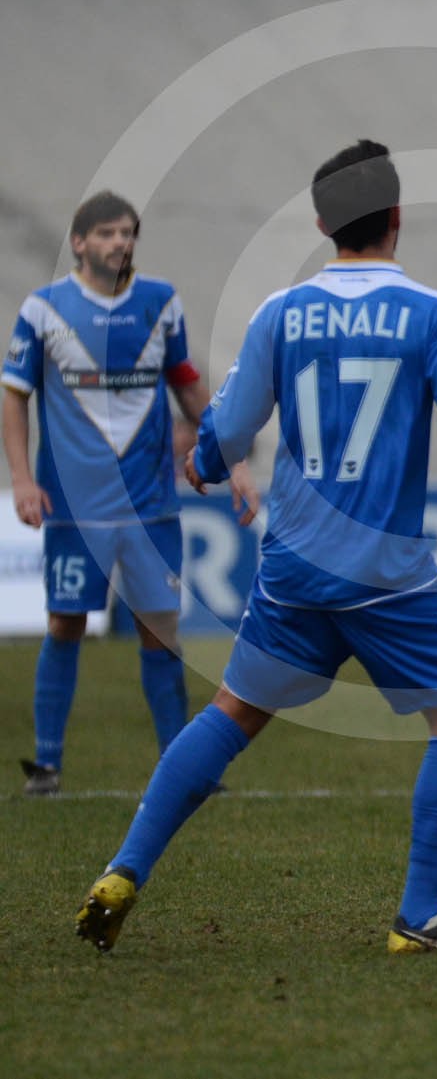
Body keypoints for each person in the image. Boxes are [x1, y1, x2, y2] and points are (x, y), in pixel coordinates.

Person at [75, 140, 437, 957]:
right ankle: (420, 918)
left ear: (321, 222)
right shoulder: (434, 313)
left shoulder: (281, 311)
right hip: (386, 573)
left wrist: (206, 463)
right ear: (396, 218)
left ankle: (124, 866)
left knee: (233, 711)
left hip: (295, 566)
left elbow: (230, 426)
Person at [4, 192, 210, 797]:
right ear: (79, 242)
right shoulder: (45, 310)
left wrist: (228, 450)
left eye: (128, 234)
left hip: (150, 502)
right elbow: (14, 396)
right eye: (108, 234)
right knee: (66, 623)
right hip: (74, 504)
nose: (120, 243)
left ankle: (179, 767)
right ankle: (47, 766)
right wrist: (21, 478)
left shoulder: (160, 303)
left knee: (160, 630)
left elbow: (185, 385)